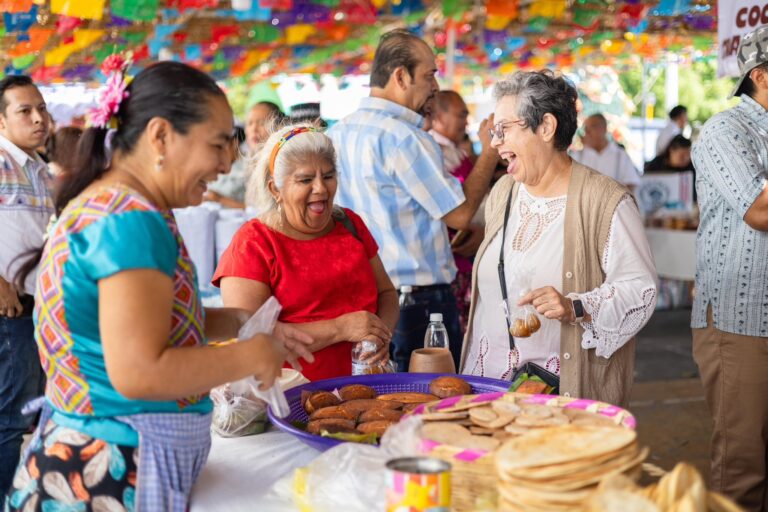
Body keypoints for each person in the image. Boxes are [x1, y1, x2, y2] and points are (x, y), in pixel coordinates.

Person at [5, 62, 313, 511]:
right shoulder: (130, 221)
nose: (228, 161)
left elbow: (152, 323)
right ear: (161, 137)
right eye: (219, 143)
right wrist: (250, 355)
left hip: (100, 461)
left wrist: (243, 322)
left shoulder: (122, 204)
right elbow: (139, 371)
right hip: (110, 473)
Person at [459, 70, 657, 408]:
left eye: (504, 129)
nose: (494, 143)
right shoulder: (504, 191)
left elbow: (640, 290)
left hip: (554, 397)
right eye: (494, 131)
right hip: (483, 389)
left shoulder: (604, 201)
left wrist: (575, 306)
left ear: (546, 127)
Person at [327, 30, 497, 371]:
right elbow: (460, 214)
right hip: (415, 304)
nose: (435, 86)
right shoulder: (404, 137)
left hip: (364, 298)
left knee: (383, 410)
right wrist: (491, 150)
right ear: (400, 76)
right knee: (431, 411)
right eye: (429, 74)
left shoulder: (337, 133)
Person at [213, 124, 399, 381]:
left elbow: (387, 293)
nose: (321, 188)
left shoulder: (350, 224)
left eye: (328, 176)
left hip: (367, 391)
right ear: (275, 189)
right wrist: (341, 328)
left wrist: (380, 335)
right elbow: (252, 338)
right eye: (305, 179)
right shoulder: (253, 243)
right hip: (292, 399)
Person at [690, 24, 768, 511]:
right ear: (760, 76)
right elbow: (760, 210)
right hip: (742, 321)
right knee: (744, 464)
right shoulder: (726, 130)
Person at [0, 75, 52, 504]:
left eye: (41, 108)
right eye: (24, 111)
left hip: (35, 303)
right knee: (11, 419)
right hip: (9, 306)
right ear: (1, 122)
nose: (38, 118)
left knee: (25, 414)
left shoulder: (37, 166)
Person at [429, 90, 498, 333]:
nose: (466, 122)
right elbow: (454, 214)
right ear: (438, 116)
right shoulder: (433, 152)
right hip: (456, 255)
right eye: (461, 115)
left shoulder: (452, 150)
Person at [206, 101, 285, 209]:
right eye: (249, 123)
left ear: (278, 126)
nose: (254, 129)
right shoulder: (250, 160)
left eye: (261, 123)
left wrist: (220, 199)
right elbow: (251, 206)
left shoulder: (281, 162)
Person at [571, 113, 641, 190]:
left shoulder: (620, 156)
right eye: (586, 128)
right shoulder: (577, 156)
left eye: (592, 127)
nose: (587, 132)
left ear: (603, 129)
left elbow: (631, 184)